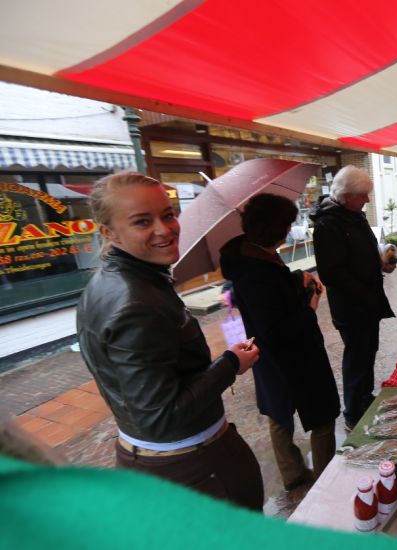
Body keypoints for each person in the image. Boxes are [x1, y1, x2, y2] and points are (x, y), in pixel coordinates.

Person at [76, 172, 264, 511]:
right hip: (192, 470)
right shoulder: (136, 303)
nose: (165, 229)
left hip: (165, 461)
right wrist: (230, 364)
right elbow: (161, 415)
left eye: (168, 215)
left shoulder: (112, 283)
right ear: (108, 232)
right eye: (142, 221)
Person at [220, 194, 340, 490]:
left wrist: (296, 278)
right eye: (287, 224)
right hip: (295, 356)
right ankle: (325, 482)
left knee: (279, 412)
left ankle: (292, 473)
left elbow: (273, 294)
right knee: (323, 417)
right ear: (274, 228)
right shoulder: (256, 271)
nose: (289, 229)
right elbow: (277, 326)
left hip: (269, 358)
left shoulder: (249, 256)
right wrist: (311, 306)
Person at [310, 166, 395, 431]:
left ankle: (365, 398)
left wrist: (379, 262)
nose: (367, 199)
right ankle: (353, 413)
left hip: (368, 302)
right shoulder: (327, 225)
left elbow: (360, 254)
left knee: (368, 352)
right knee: (357, 358)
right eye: (363, 195)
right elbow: (332, 273)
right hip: (352, 307)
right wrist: (365, 294)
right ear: (347, 196)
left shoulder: (354, 216)